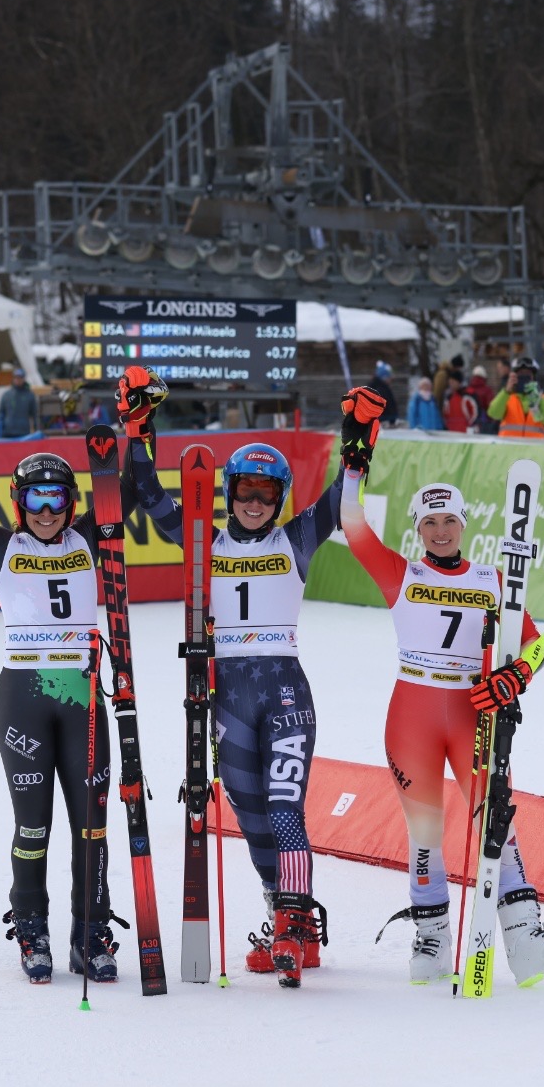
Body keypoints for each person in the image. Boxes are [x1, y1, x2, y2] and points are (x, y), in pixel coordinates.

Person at [335, 407, 544, 988]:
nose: (440, 531)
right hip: (413, 714)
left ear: (463, 524)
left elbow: (539, 646)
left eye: (449, 521)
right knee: (423, 832)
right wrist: (355, 465)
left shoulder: (492, 580)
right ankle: (430, 942)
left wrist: (515, 677)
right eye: (430, 523)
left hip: (475, 716)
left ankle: (524, 940)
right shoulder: (401, 575)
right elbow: (353, 524)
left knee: (498, 821)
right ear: (417, 530)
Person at [120, 366, 346, 987]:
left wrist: (358, 439)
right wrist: (138, 429)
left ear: (279, 499)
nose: (253, 502)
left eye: (266, 493)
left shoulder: (298, 537)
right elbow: (150, 496)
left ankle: (298, 925)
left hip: (283, 691)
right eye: (244, 490)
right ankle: (282, 915)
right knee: (248, 813)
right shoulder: (202, 539)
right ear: (227, 493)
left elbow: (340, 499)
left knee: (285, 809)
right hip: (226, 695)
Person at [0, 394, 135, 985]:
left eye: (57, 497)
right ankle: (31, 928)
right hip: (23, 696)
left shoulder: (90, 539)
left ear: (72, 503)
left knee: (92, 824)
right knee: (33, 825)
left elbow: (130, 485)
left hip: (81, 696)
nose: (45, 510)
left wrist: (139, 427)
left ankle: (91, 932)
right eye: (34, 497)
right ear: (19, 502)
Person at [487, 355, 544, 438]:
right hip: (510, 449)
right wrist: (506, 391)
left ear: (534, 378)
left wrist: (539, 397)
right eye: (520, 374)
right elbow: (494, 413)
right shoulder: (507, 397)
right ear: (515, 377)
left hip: (534, 449)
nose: (524, 377)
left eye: (527, 374)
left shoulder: (542, 399)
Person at [0, 370, 41, 439]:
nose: (18, 380)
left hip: (23, 433)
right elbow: (1, 415)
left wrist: (37, 431)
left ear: (24, 379)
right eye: (16, 377)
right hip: (8, 432)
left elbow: (35, 415)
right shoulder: (6, 395)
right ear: (13, 379)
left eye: (20, 378)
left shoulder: (30, 395)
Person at [442, 369, 480, 433]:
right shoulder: (448, 397)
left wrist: (471, 426)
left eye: (453, 382)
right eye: (450, 382)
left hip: (466, 431)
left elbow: (476, 413)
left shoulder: (468, 395)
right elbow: (445, 415)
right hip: (451, 431)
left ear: (459, 382)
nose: (451, 384)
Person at [466, 364, 496, 434]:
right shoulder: (487, 390)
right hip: (485, 422)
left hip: (470, 423)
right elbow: (491, 406)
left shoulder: (468, 389)